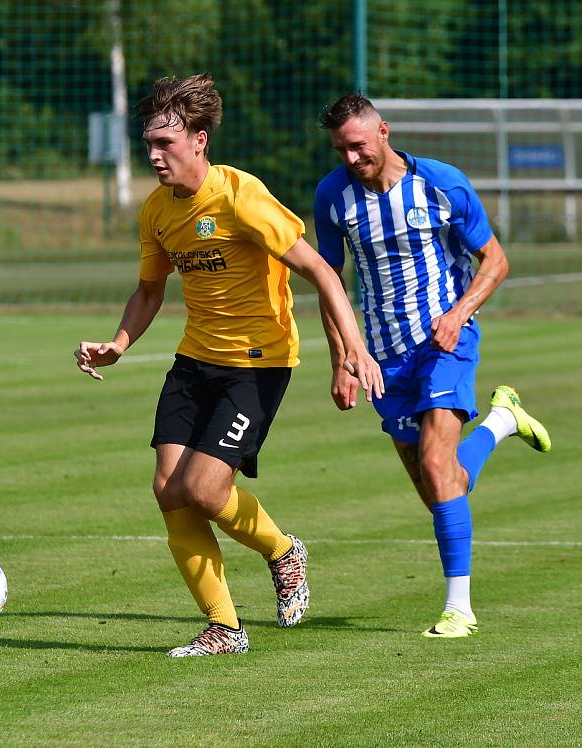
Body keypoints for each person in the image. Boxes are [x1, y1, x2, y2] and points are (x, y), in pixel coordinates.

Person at [75, 74, 383, 657]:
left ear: (199, 140)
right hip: (194, 360)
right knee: (169, 490)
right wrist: (118, 343)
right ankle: (224, 628)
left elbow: (321, 272)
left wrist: (354, 349)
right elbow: (148, 291)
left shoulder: (242, 196)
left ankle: (283, 551)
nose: (154, 156)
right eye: (149, 145)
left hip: (258, 363)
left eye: (165, 144)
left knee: (204, 488)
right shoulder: (156, 211)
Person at [313, 93, 552, 638]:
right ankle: (501, 421)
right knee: (437, 484)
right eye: (339, 150)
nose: (350, 159)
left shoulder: (441, 183)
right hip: (382, 356)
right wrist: (343, 361)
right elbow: (330, 285)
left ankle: (459, 608)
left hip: (447, 344)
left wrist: (459, 313)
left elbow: (496, 259)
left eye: (357, 146)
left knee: (438, 468)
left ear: (383, 132)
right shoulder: (333, 196)